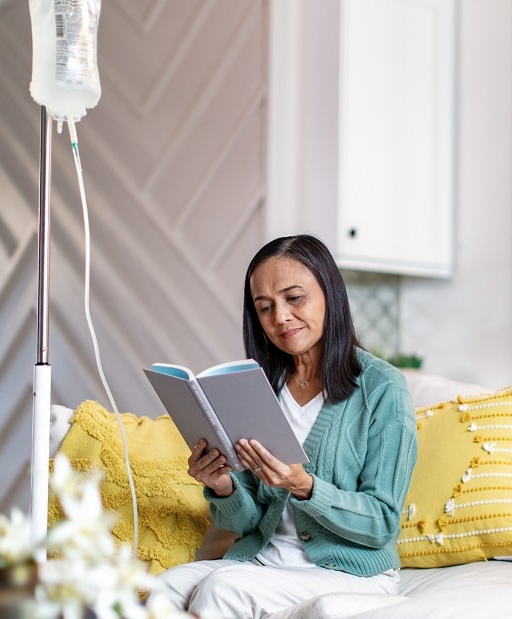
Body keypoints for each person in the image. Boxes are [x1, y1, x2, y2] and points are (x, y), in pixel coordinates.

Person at [155, 234, 418, 618]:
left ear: (330, 294)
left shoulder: (383, 388)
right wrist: (223, 485)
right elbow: (247, 523)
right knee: (161, 588)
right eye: (265, 307)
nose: (280, 317)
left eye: (294, 298)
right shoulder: (260, 388)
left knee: (223, 591)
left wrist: (304, 486)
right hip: (266, 560)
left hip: (350, 572)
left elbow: (381, 522)